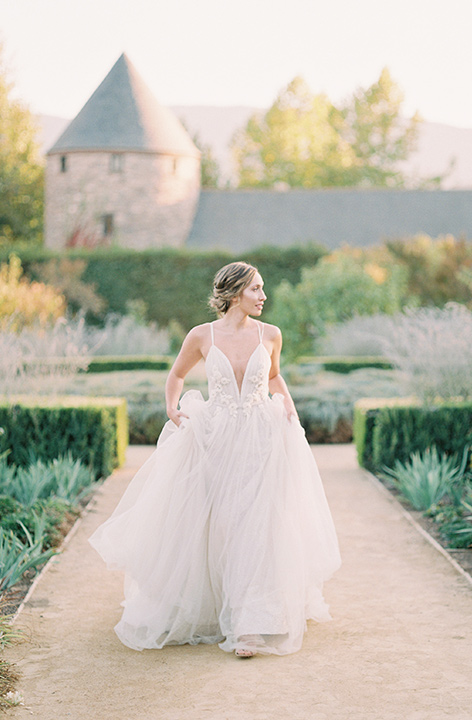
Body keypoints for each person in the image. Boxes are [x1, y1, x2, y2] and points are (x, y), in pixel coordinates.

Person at [89, 261, 341, 658]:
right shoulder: (201, 336)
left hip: (262, 436)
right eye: (256, 289)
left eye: (262, 289)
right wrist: (172, 408)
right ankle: (215, 606)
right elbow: (176, 375)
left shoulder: (271, 334)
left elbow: (273, 377)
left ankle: (248, 624)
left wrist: (288, 407)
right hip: (216, 437)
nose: (263, 296)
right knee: (223, 521)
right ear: (235, 293)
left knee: (258, 522)